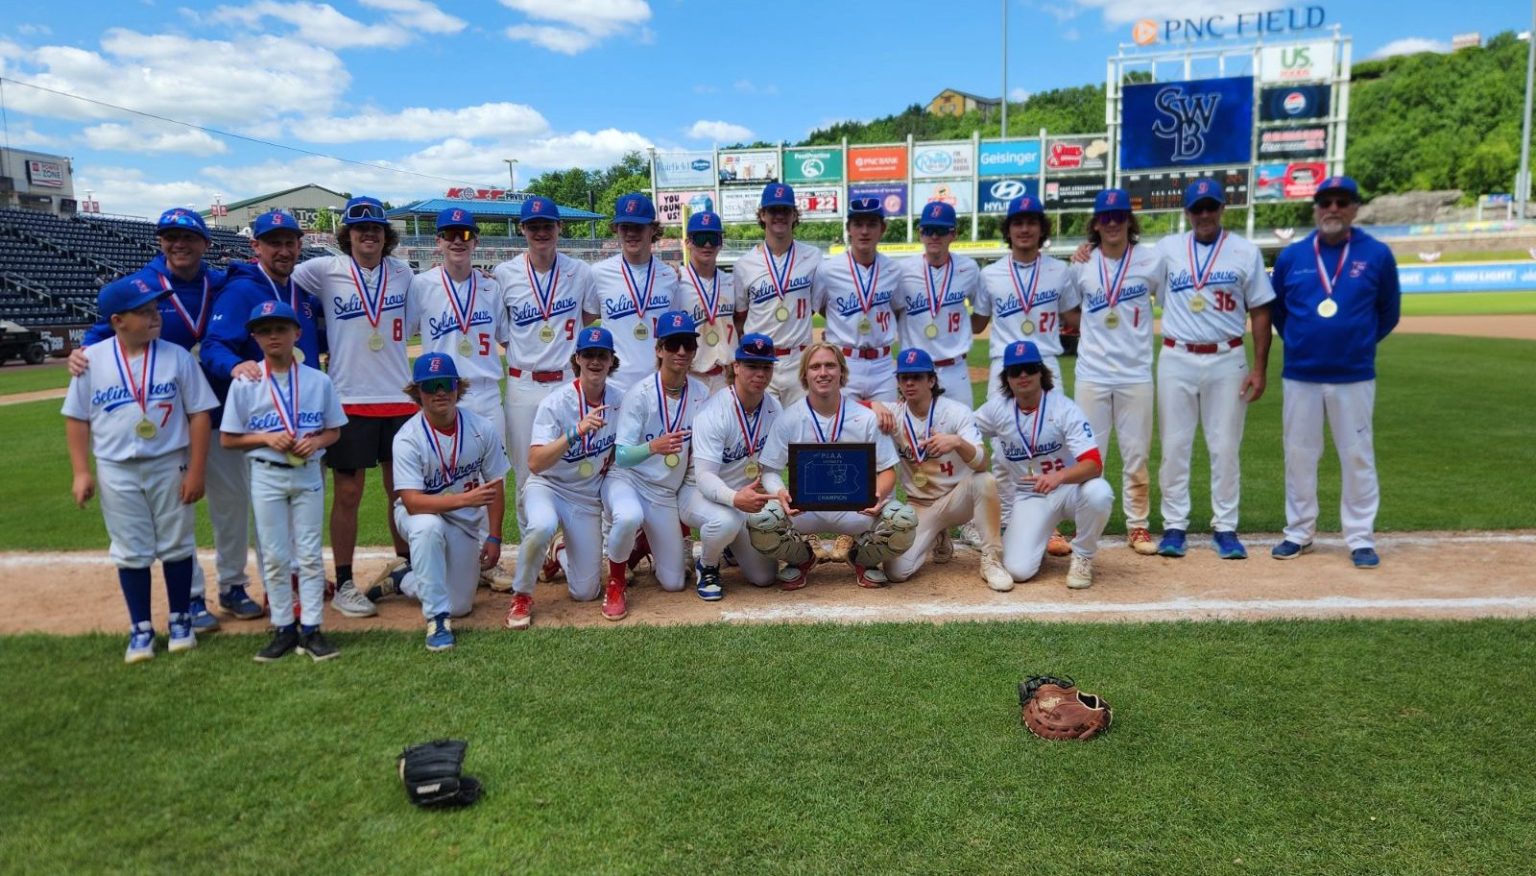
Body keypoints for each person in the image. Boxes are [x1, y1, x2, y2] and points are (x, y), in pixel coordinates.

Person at [71, 208, 233, 633]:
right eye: (170, 237)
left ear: (205, 244)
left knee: (228, 507)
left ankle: (233, 585)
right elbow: (103, 332)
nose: (179, 244)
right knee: (177, 514)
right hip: (163, 418)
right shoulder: (144, 286)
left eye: (188, 237)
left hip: (214, 405)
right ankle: (192, 599)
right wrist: (80, 353)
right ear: (160, 242)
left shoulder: (219, 281)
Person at [64, 277, 218, 662]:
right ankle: (141, 628)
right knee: (130, 549)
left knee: (177, 542)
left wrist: (197, 470)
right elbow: (77, 419)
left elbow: (199, 414)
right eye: (144, 312)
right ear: (117, 320)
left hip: (169, 462)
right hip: (117, 468)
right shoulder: (92, 360)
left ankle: (180, 619)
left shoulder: (176, 356)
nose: (155, 317)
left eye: (155, 309)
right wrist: (81, 472)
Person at [289, 196, 418, 618]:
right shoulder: (323, 270)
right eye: (360, 229)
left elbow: (411, 324)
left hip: (399, 397)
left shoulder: (403, 273)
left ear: (386, 236)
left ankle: (406, 568)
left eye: (376, 229)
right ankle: (344, 581)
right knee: (348, 492)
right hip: (348, 400)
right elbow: (276, 281)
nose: (369, 235)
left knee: (402, 490)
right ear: (347, 236)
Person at [1269, 176, 1400, 569]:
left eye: (1342, 202)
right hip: (1301, 374)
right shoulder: (1293, 257)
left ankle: (1360, 536)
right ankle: (1299, 531)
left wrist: (1355, 343)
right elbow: (1279, 313)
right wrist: (1304, 340)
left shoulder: (1376, 255)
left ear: (1355, 208)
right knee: (1299, 454)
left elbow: (1388, 313)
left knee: (1357, 454)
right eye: (1326, 202)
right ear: (1315, 208)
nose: (1333, 209)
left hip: (1353, 375)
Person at [202, 209, 326, 618]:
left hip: (299, 419)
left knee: (295, 505)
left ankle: (294, 578)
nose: (284, 250)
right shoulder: (240, 290)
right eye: (274, 242)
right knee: (243, 507)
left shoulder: (300, 294)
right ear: (255, 246)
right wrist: (233, 366)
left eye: (290, 242)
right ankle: (237, 586)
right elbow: (215, 345)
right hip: (250, 419)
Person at [1151, 179, 1275, 560]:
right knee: (1175, 445)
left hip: (1227, 357)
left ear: (1222, 208)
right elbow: (1131, 273)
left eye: (1210, 207)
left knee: (1224, 446)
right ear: (1187, 213)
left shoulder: (1244, 251)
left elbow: (1260, 310)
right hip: (1177, 356)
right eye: (1197, 208)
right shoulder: (1167, 249)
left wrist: (1258, 367)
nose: (1204, 215)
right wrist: (1089, 251)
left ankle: (1225, 527)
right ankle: (1174, 526)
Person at [218, 301, 346, 662]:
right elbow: (228, 438)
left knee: (308, 554)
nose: (273, 336)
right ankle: (283, 627)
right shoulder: (247, 383)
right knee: (274, 555)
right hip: (266, 473)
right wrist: (265, 438)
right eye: (264, 330)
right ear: (255, 337)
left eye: (280, 329)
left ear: (297, 333)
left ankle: (312, 629)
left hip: (306, 473)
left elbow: (334, 431)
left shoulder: (318, 380)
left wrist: (316, 441)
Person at [747, 343, 918, 589]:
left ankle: (862, 557)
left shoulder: (865, 417)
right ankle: (802, 557)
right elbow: (771, 470)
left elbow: (887, 469)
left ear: (842, 372)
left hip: (856, 509)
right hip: (804, 510)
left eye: (830, 365)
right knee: (761, 521)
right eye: (815, 367)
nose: (823, 372)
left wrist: (878, 494)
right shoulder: (789, 418)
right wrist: (781, 494)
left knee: (903, 521)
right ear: (805, 374)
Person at [367, 353, 509, 651]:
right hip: (416, 514)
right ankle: (437, 619)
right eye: (431, 386)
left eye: (446, 383)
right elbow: (412, 502)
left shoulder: (481, 428)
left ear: (458, 387)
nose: (440, 392)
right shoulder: (408, 437)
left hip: (464, 521)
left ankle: (404, 578)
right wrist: (464, 499)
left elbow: (495, 485)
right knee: (427, 528)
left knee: (461, 606)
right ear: (418, 392)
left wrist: (494, 535)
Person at [411, 207, 513, 591]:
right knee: (445, 478)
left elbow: (504, 335)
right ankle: (448, 555)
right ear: (438, 241)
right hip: (442, 398)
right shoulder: (421, 286)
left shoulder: (491, 286)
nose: (457, 240)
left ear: (475, 241)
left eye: (465, 235)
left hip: (485, 391)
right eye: (450, 234)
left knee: (491, 477)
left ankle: (487, 559)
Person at [975, 194, 1081, 552]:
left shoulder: (1061, 270)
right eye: (1018, 223)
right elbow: (975, 324)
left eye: (1031, 222)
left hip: (1046, 362)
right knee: (1003, 447)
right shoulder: (989, 274)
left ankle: (1049, 523)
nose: (1024, 229)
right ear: (1008, 229)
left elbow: (1074, 319)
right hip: (1003, 366)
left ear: (1041, 229)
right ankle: (1007, 521)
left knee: (1053, 443)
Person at [493, 195, 598, 535]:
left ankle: (569, 547)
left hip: (567, 381)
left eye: (547, 225)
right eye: (533, 226)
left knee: (573, 464)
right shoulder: (504, 273)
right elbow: (503, 332)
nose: (541, 232)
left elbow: (588, 317)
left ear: (559, 228)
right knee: (527, 471)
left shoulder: (580, 271)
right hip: (523, 383)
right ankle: (533, 548)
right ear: (522, 229)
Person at [1069, 188, 1166, 557]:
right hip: (1092, 372)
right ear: (1096, 223)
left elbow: (1167, 297)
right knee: (1089, 455)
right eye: (1105, 217)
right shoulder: (1082, 263)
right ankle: (1085, 524)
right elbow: (1068, 310)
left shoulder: (1151, 260)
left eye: (1119, 216)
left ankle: (1137, 525)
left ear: (1129, 220)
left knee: (1137, 453)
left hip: (1135, 372)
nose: (1112, 223)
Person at [507, 327, 622, 629]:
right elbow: (534, 463)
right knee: (542, 525)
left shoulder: (621, 400)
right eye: (588, 355)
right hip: (549, 486)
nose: (595, 362)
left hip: (585, 496)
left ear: (612, 361)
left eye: (602, 356)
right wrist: (575, 432)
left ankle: (560, 552)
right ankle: (522, 595)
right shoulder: (556, 403)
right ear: (577, 360)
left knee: (585, 592)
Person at [975, 341, 1112, 589]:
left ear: (1041, 371)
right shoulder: (997, 409)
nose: (1023, 375)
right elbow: (966, 429)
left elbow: (1094, 465)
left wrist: (1059, 477)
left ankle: (1083, 556)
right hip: (1030, 496)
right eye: (1016, 371)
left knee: (1099, 493)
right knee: (1018, 570)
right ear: (1007, 378)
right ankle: (1039, 539)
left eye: (1029, 368)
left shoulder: (1064, 408)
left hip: (1070, 490)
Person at [604, 311, 712, 611]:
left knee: (674, 582)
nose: (681, 352)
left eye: (688, 344)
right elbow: (622, 456)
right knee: (628, 517)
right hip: (629, 481)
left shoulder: (701, 393)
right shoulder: (640, 393)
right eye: (673, 344)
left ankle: (643, 543)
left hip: (664, 492)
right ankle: (615, 585)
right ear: (659, 349)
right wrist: (653, 447)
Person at [882, 349, 1012, 591]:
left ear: (931, 380)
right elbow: (846, 407)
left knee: (985, 480)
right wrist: (873, 405)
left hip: (957, 500)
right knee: (896, 572)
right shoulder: (894, 413)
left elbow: (982, 462)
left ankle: (991, 559)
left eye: (917, 377)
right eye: (903, 377)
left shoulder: (955, 411)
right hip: (919, 505)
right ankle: (938, 535)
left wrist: (957, 442)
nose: (909, 383)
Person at [682, 334, 784, 599]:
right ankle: (708, 565)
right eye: (752, 366)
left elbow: (770, 469)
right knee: (724, 521)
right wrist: (735, 498)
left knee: (764, 577)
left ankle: (729, 545)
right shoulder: (714, 412)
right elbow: (704, 477)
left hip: (744, 497)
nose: (760, 373)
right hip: (698, 493)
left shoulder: (774, 409)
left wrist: (780, 493)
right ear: (736, 367)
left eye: (766, 366)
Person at [732, 183, 823, 406]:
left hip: (799, 359)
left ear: (794, 215)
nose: (779, 216)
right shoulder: (744, 265)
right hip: (759, 361)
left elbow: (815, 306)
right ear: (763, 215)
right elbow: (740, 318)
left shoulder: (813, 257)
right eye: (773, 210)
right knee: (761, 432)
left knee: (801, 434)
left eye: (785, 210)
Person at [591, 193, 680, 395]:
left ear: (653, 229)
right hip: (614, 382)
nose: (631, 233)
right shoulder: (598, 273)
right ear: (616, 229)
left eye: (638, 227)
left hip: (657, 380)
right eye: (625, 227)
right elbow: (588, 315)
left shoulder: (669, 276)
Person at [813, 196, 900, 402]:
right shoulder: (828, 270)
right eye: (858, 224)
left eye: (871, 224)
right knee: (844, 431)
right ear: (848, 229)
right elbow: (821, 306)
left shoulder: (894, 270)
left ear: (883, 229)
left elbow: (896, 309)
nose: (864, 231)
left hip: (883, 364)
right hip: (844, 361)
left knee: (886, 429)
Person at [897, 202, 982, 401]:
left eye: (942, 230)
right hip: (915, 370)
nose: (934, 236)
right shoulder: (902, 271)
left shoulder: (969, 269)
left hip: (955, 368)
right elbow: (892, 311)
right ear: (920, 233)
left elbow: (981, 315)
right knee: (913, 430)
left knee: (962, 429)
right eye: (928, 230)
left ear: (953, 234)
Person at [680, 210, 736, 394]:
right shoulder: (676, 281)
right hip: (690, 376)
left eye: (713, 238)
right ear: (688, 242)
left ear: (720, 243)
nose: (707, 244)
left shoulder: (730, 281)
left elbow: (741, 322)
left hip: (725, 377)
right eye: (700, 238)